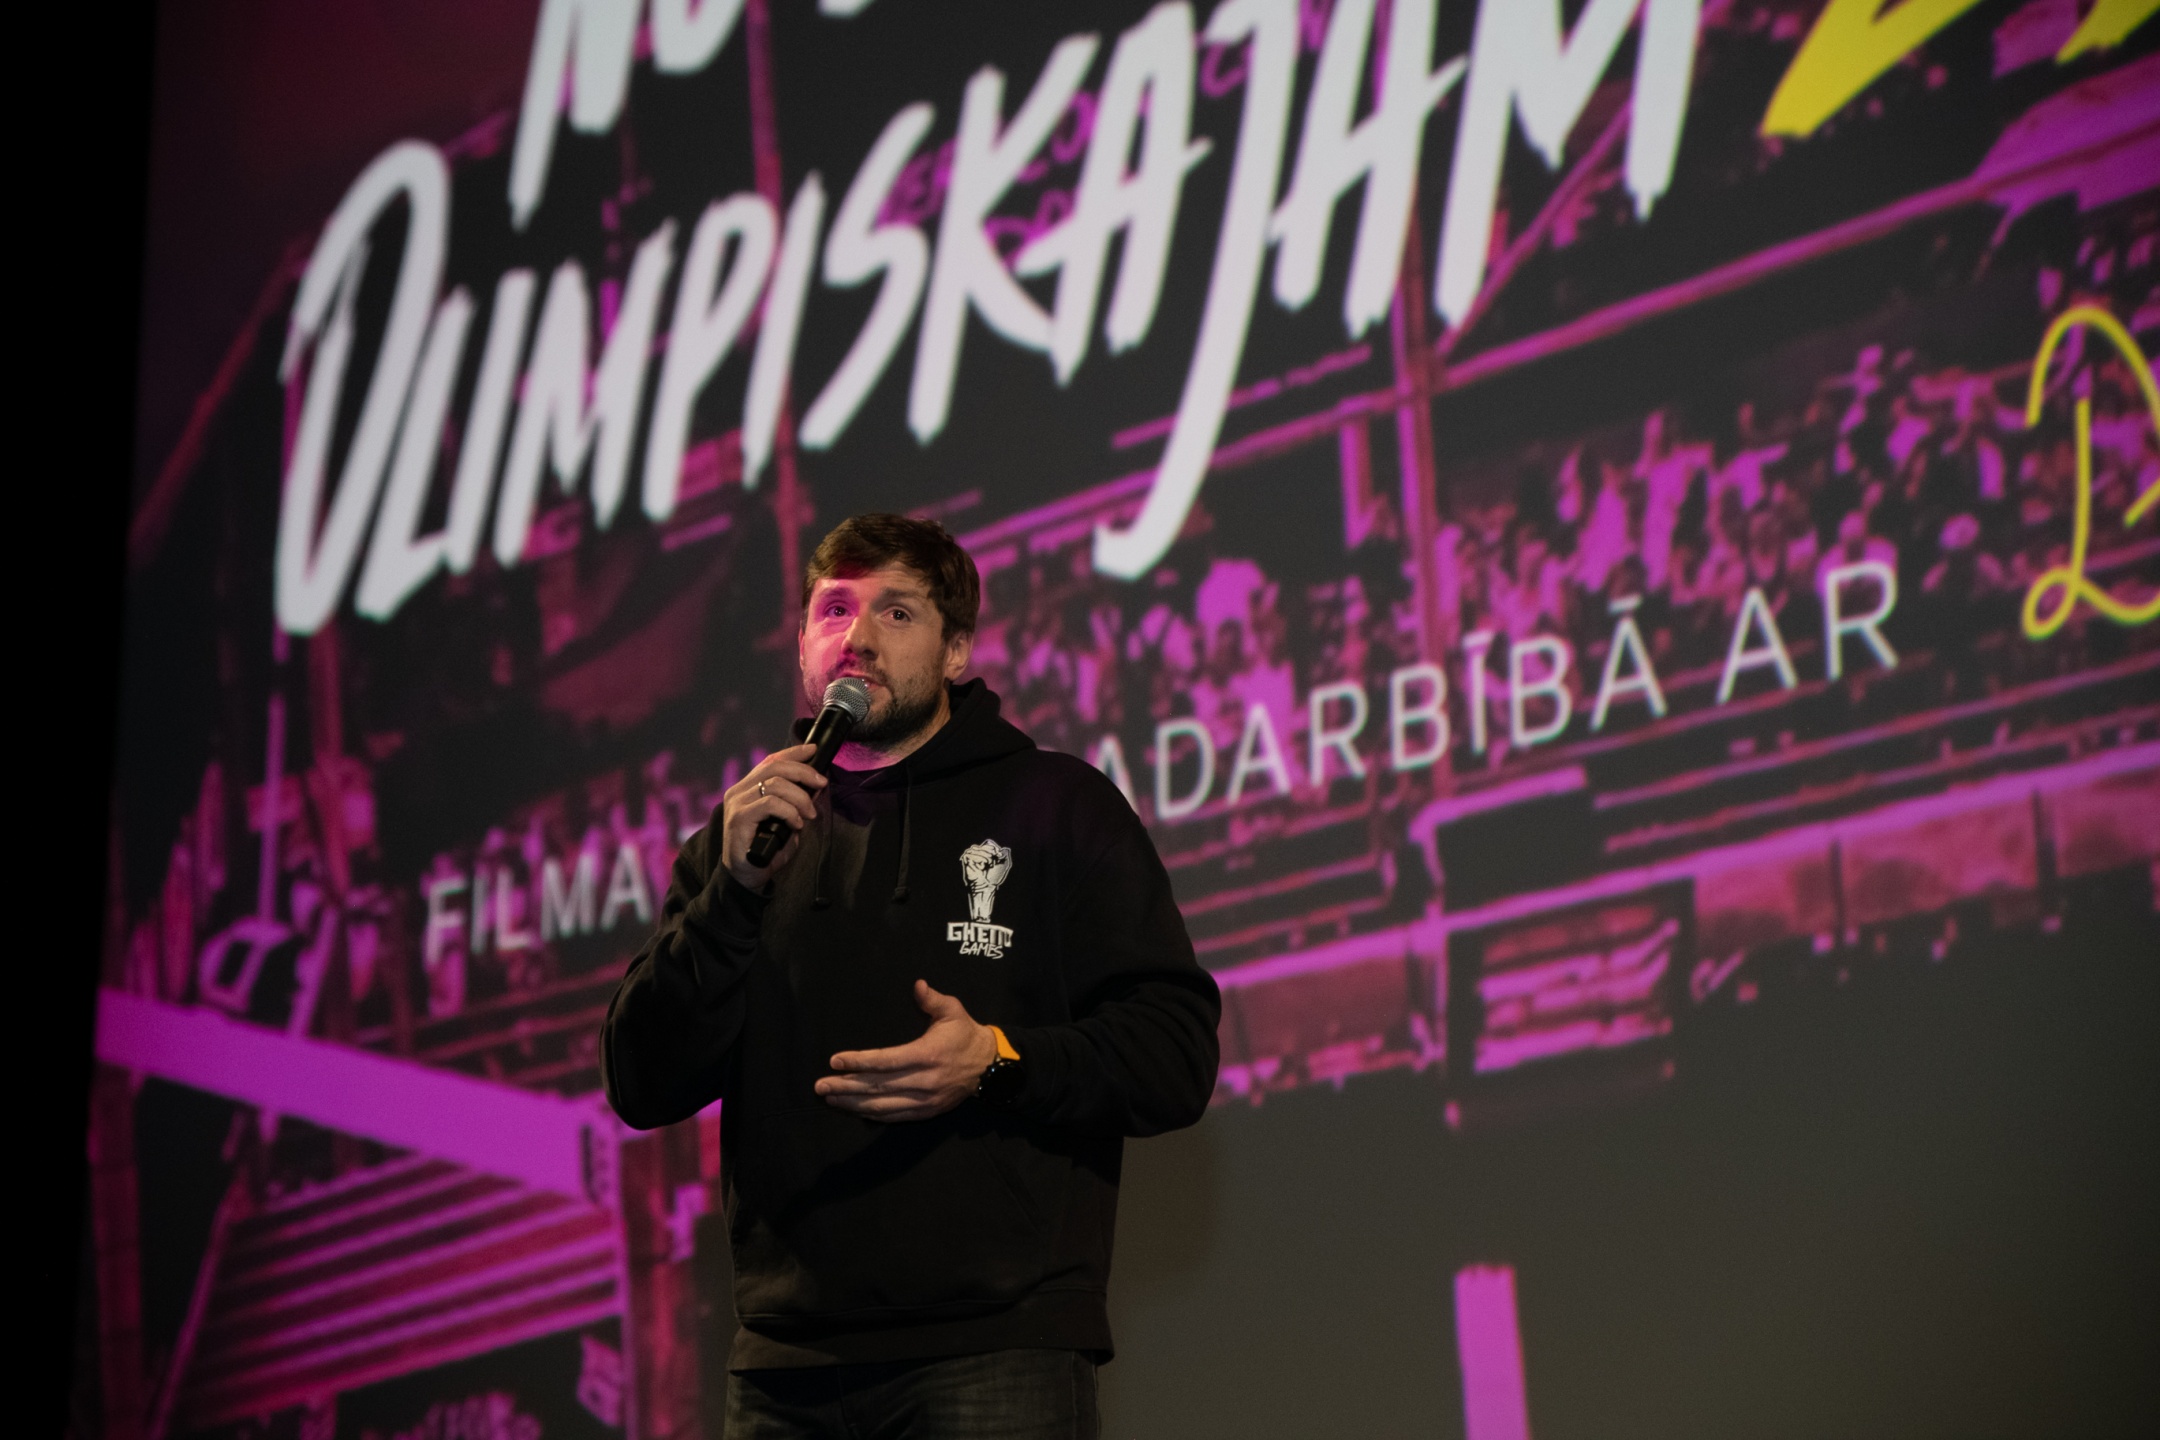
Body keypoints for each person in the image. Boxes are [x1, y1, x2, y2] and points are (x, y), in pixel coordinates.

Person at [601, 513, 1222, 1438]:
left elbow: (1173, 1055)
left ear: (956, 650)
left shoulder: (1058, 807)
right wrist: (731, 894)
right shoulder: (744, 841)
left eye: (895, 612)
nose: (857, 636)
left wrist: (996, 1061)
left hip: (995, 1348)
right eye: (834, 610)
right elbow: (641, 1079)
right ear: (803, 648)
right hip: (785, 1369)